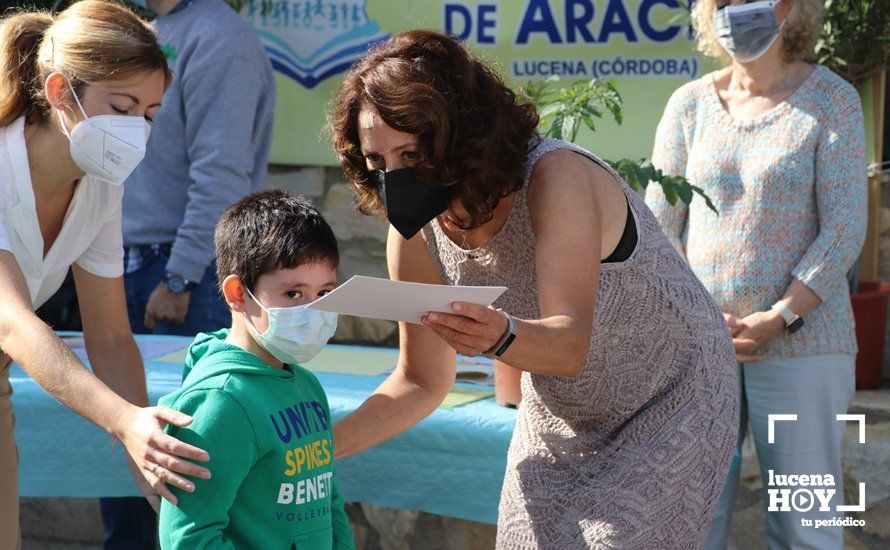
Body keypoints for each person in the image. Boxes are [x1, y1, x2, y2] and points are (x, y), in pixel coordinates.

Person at [328, 30, 739, 548]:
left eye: (411, 154)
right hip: (562, 410)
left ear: (458, 131)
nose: (394, 177)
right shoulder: (415, 235)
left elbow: (568, 344)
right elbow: (420, 381)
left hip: (672, 395)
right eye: (377, 162)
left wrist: (498, 336)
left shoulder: (555, 176)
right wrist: (313, 453)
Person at [644, 1, 866, 548]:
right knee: (688, 519)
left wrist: (782, 314)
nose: (736, 11)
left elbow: (845, 226)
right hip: (699, 348)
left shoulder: (833, 99)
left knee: (805, 525)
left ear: (790, 8)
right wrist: (698, 319)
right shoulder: (689, 104)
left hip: (803, 347)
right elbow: (658, 225)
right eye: (722, 3)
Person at [0, 2, 213, 549]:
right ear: (57, 91)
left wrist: (149, 461)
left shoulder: (100, 185)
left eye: (149, 114)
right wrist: (123, 422)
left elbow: (112, 336)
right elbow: (14, 325)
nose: (136, 130)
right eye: (121, 106)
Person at [103, 0, 275, 546]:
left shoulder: (219, 36)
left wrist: (179, 275)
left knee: (193, 466)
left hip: (184, 273)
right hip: (122, 259)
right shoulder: (143, 28)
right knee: (128, 447)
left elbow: (222, 171)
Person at [158, 190, 354, 549]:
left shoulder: (306, 384)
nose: (313, 311)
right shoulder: (221, 403)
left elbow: (329, 503)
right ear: (237, 293)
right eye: (293, 294)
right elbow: (188, 538)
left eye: (324, 293)